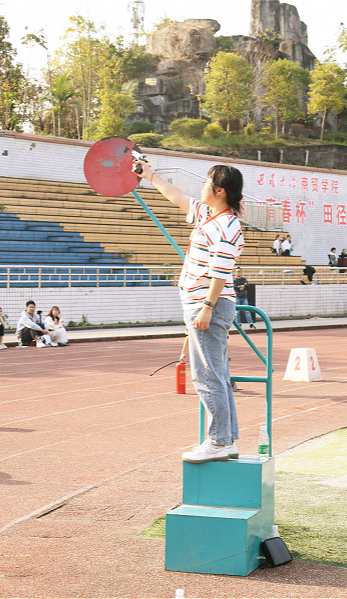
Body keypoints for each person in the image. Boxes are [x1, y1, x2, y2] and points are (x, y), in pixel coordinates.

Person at [134, 158, 245, 464]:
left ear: (220, 191)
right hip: (202, 303)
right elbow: (178, 196)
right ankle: (226, 441)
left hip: (208, 304)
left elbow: (221, 270)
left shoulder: (227, 224)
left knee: (207, 377)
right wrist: (150, 175)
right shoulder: (209, 215)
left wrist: (207, 307)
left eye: (207, 183)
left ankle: (219, 441)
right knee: (216, 376)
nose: (202, 187)